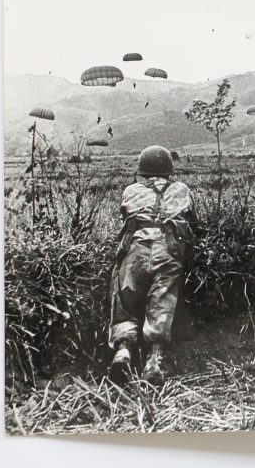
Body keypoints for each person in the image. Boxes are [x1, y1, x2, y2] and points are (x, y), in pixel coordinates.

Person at [108, 145, 198, 384]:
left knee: (124, 296)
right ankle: (154, 360)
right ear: (168, 169)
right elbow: (193, 221)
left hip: (135, 247)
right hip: (168, 250)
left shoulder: (130, 190)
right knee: (163, 298)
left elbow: (124, 215)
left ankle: (124, 349)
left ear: (142, 170)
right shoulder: (181, 189)